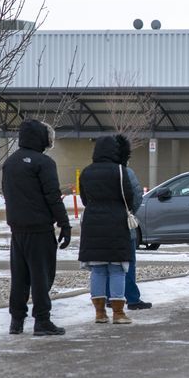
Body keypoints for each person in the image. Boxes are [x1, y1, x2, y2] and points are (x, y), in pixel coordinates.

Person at [2, 119, 71, 336]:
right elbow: (53, 196)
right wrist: (64, 224)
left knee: (19, 277)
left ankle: (16, 320)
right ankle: (42, 320)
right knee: (42, 277)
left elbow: (7, 193)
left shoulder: (10, 162)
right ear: (42, 138)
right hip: (40, 229)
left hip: (17, 229)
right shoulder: (44, 163)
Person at [79, 135, 136, 325]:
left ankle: (99, 313)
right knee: (117, 268)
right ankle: (118, 313)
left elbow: (85, 199)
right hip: (116, 223)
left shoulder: (86, 172)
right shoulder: (120, 171)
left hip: (92, 223)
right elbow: (128, 197)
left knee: (98, 269)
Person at [118, 157, 151, 311]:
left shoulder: (91, 171)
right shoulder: (126, 172)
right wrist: (130, 212)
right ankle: (132, 298)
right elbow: (137, 196)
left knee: (103, 265)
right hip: (123, 224)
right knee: (128, 263)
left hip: (99, 226)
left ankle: (106, 298)